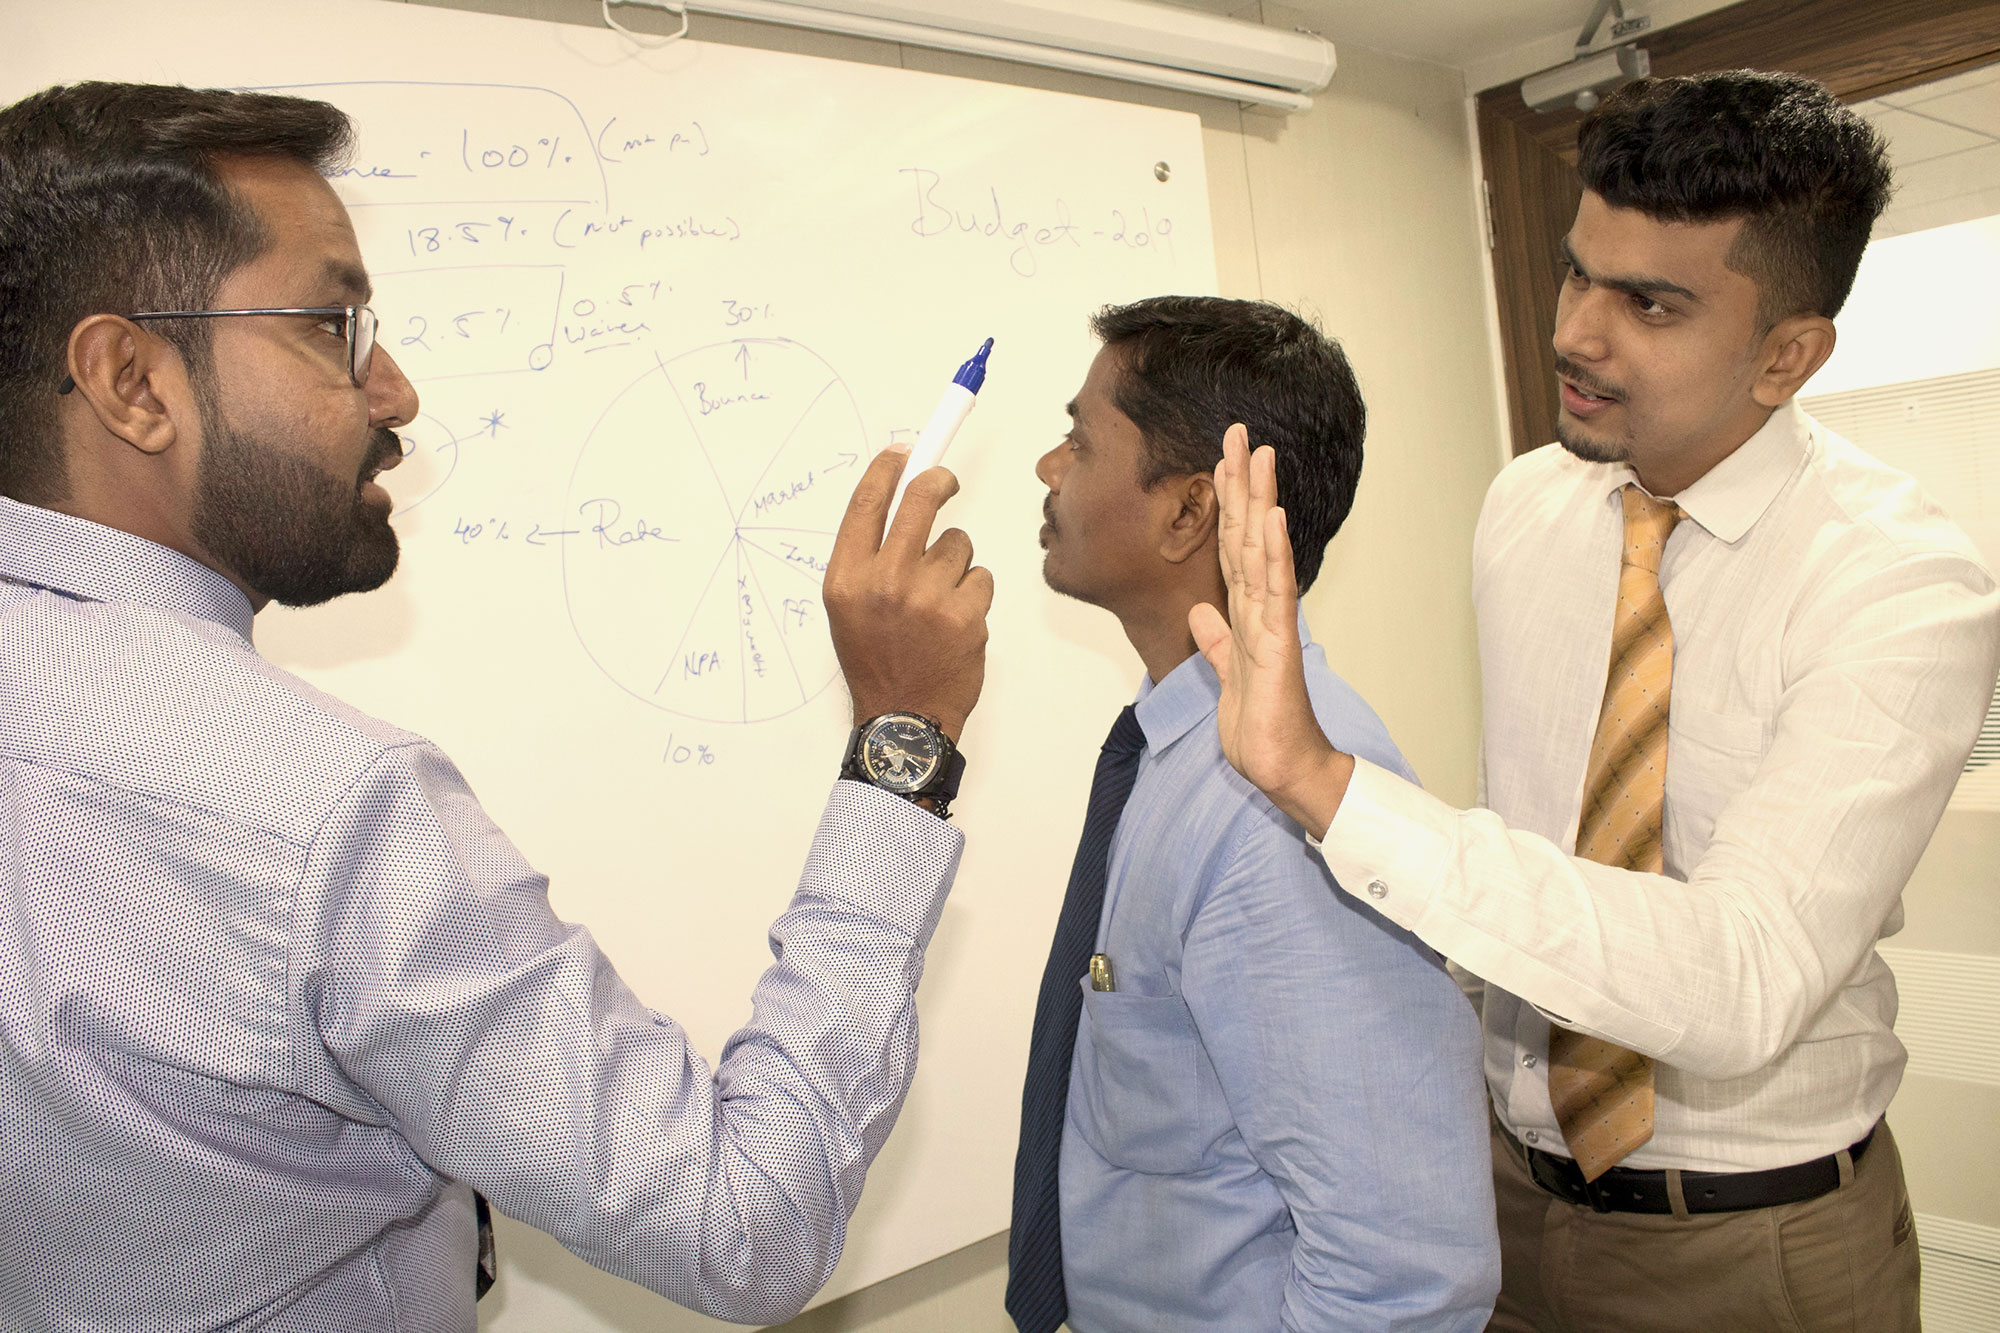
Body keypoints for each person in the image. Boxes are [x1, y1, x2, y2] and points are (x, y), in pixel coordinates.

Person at [0, 81, 993, 1331]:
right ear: (130, 381)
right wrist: (901, 741)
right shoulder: (316, 810)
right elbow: (742, 1223)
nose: (396, 391)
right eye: (333, 326)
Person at [1191, 72, 2000, 1332]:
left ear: (1786, 354)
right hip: (1505, 1203)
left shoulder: (1901, 588)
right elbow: (1534, 853)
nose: (1575, 332)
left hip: (1756, 1251)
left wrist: (1328, 785)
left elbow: (1741, 980)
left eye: (1650, 303)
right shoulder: (1526, 508)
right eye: (1577, 274)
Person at [1004, 296, 1499, 1333]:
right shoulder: (1175, 757)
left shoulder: (1281, 822)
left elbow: (1404, 1277)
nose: (1049, 468)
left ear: (1189, 512)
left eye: (1078, 440)